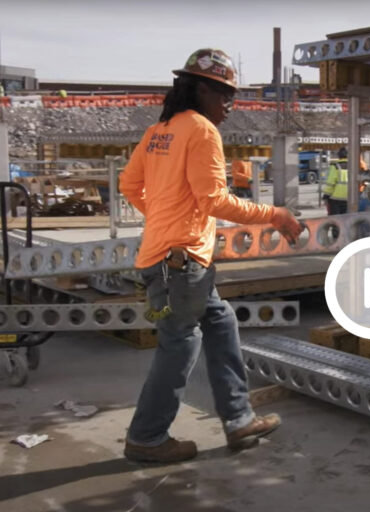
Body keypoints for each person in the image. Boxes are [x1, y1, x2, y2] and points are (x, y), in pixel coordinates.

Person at [119, 48, 302, 463]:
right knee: (180, 343)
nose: (229, 107)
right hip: (180, 265)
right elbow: (216, 201)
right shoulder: (201, 131)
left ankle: (238, 421)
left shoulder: (159, 131)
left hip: (169, 260)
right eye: (224, 97)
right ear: (201, 90)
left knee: (219, 323)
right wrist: (275, 215)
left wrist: (165, 217)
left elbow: (129, 186)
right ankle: (146, 437)